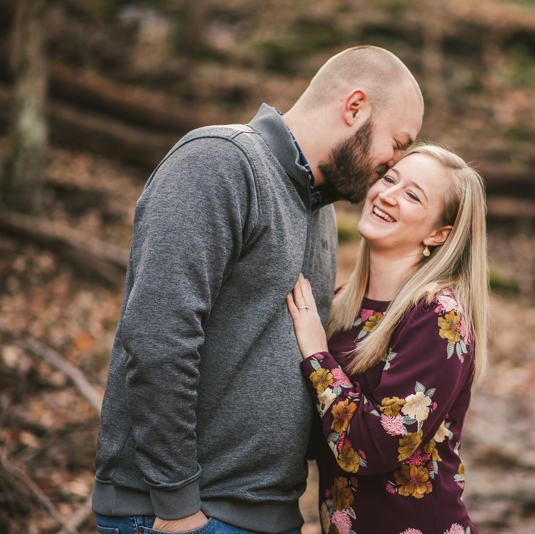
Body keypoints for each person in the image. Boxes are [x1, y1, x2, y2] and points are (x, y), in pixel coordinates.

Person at [92, 46, 423, 534]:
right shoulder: (219, 162)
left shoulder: (321, 212)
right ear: (354, 107)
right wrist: (178, 505)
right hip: (180, 513)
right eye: (397, 143)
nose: (394, 164)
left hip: (269, 513)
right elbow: (160, 336)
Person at [287, 144, 488, 534]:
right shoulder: (344, 302)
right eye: (389, 178)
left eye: (413, 195)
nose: (387, 194)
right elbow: (315, 433)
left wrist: (316, 354)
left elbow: (372, 448)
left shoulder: (437, 315)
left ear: (439, 234)